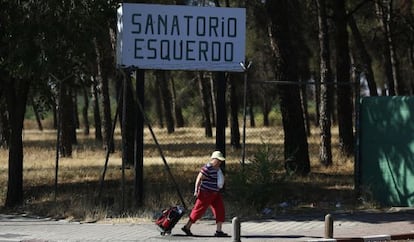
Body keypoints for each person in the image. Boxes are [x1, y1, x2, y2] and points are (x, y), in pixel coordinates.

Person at [181, 151, 228, 237]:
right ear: (213, 159)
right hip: (206, 193)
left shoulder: (217, 168)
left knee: (220, 209)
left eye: (221, 161)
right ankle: (187, 227)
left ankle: (219, 231)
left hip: (215, 193)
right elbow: (199, 178)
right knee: (198, 210)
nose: (220, 162)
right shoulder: (208, 167)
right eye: (218, 160)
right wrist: (196, 190)